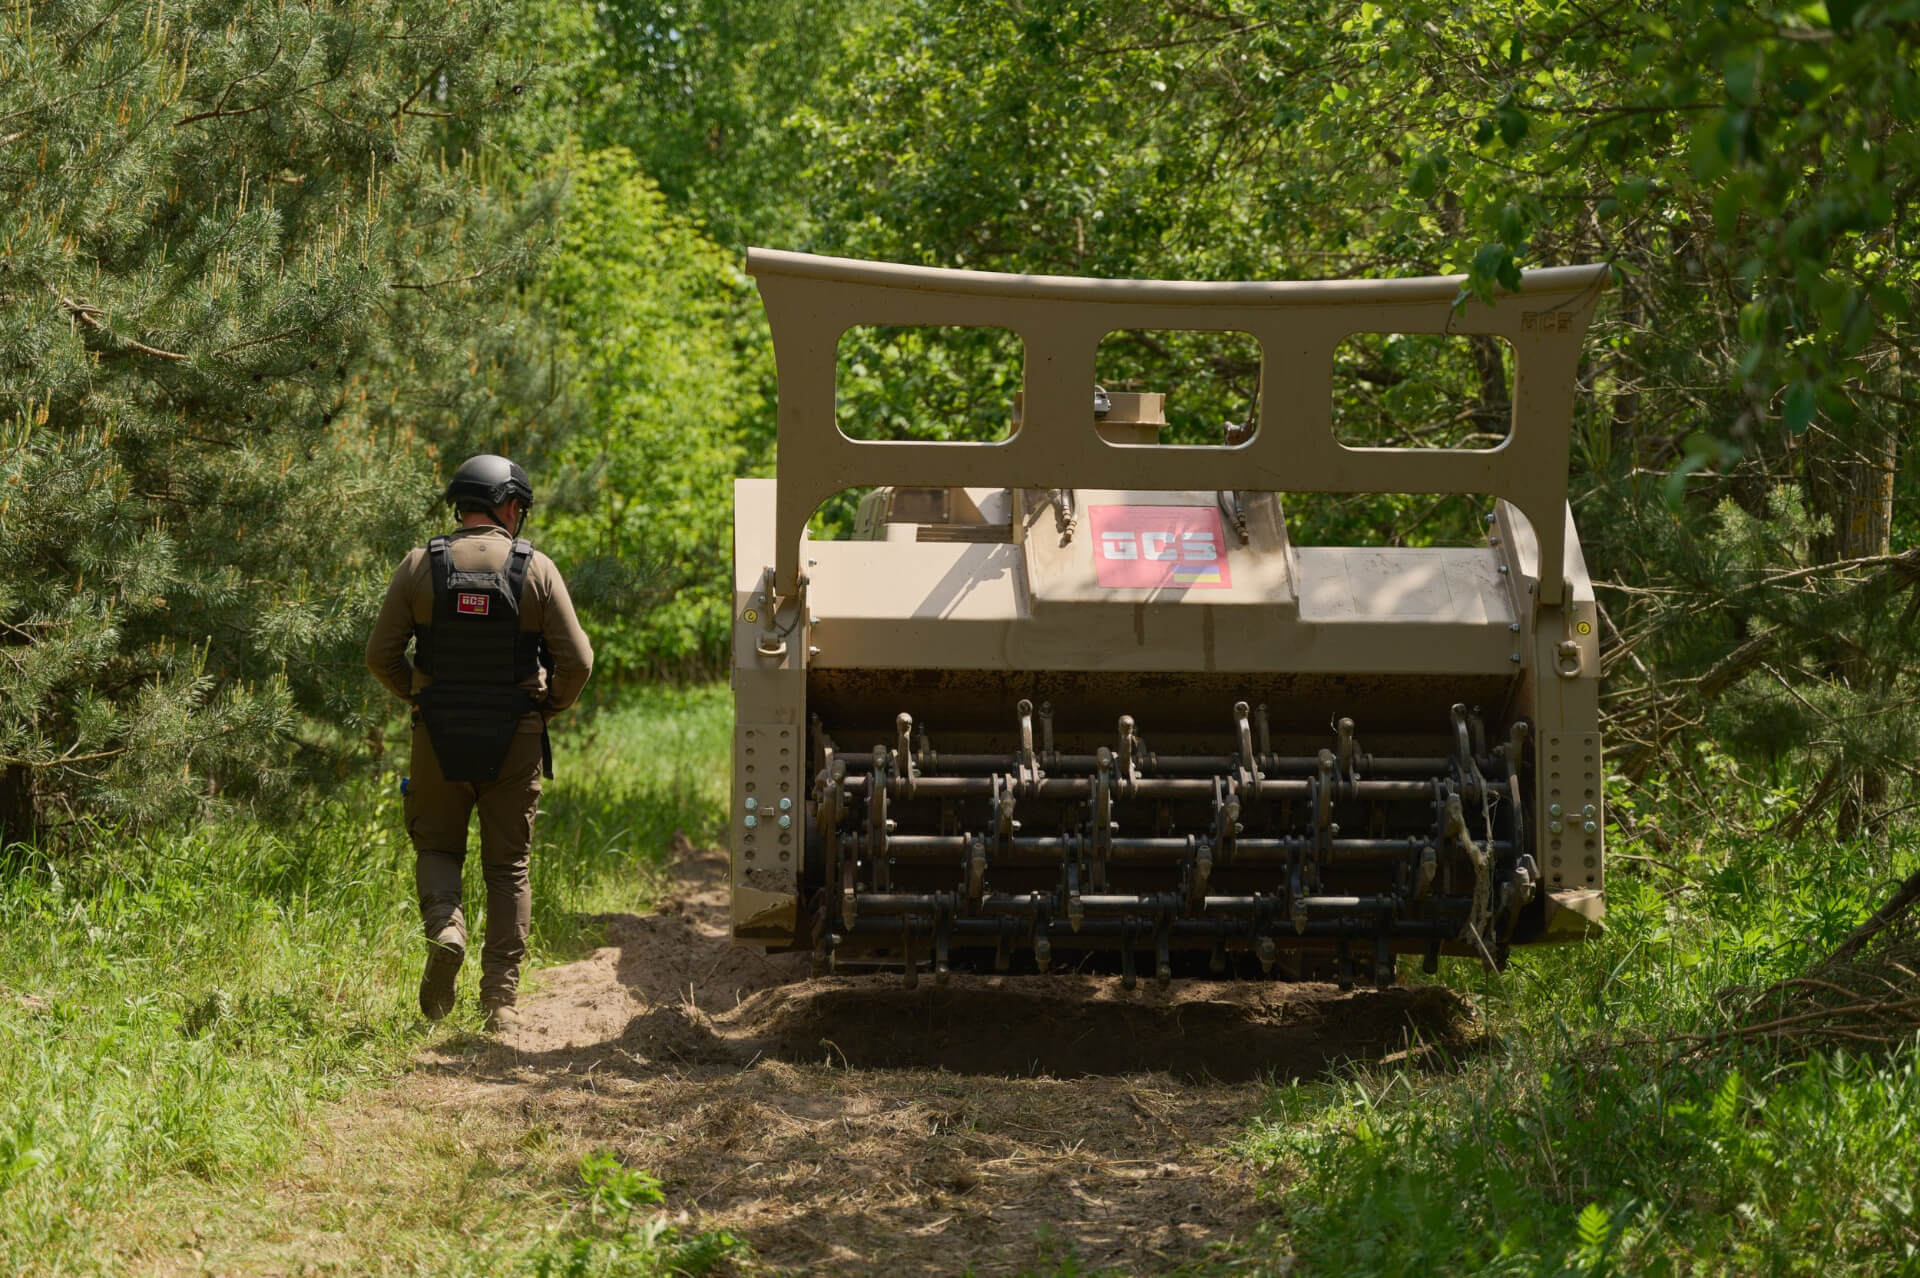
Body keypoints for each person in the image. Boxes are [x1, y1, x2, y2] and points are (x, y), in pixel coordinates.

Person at [365, 455, 594, 1031]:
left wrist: (420, 695)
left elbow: (380, 655)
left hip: (437, 738)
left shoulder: (419, 565)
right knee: (508, 867)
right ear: (510, 506)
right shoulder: (537, 569)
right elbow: (578, 661)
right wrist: (547, 706)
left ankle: (447, 928)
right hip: (514, 739)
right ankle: (499, 1002)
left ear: (462, 506)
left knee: (438, 850)